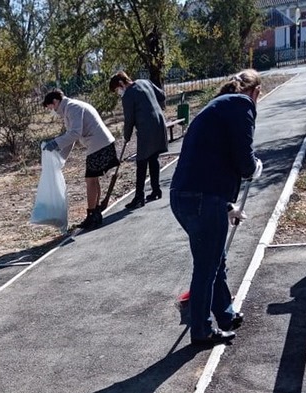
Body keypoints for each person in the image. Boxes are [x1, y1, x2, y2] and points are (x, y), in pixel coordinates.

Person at [169, 69, 264, 345]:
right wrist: (255, 168)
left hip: (183, 196)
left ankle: (225, 315)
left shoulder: (217, 107)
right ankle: (201, 331)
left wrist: (227, 206)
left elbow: (210, 161)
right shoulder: (242, 105)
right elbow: (244, 161)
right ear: (255, 92)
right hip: (203, 198)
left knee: (214, 259)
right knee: (207, 267)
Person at [42, 89, 119, 229]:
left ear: (55, 101)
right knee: (93, 179)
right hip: (100, 144)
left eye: (50, 108)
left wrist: (55, 143)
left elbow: (75, 134)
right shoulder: (69, 109)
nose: (52, 111)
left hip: (99, 144)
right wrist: (61, 159)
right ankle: (95, 213)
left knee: (90, 180)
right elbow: (71, 137)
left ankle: (91, 215)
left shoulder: (72, 108)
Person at [109, 71, 168, 210]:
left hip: (146, 129)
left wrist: (126, 136)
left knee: (141, 162)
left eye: (117, 90)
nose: (118, 93)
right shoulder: (145, 82)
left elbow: (129, 119)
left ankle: (139, 197)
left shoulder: (128, 95)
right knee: (153, 158)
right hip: (159, 124)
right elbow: (162, 95)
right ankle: (156, 190)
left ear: (121, 83)